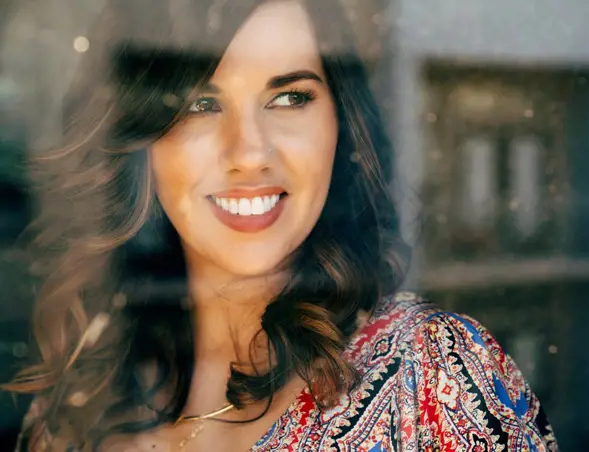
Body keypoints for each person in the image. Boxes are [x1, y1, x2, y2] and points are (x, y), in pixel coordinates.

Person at [4, 0, 559, 450]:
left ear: (341, 128)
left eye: (290, 97)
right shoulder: (82, 398)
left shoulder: (433, 375)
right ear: (142, 139)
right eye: (201, 104)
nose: (249, 153)